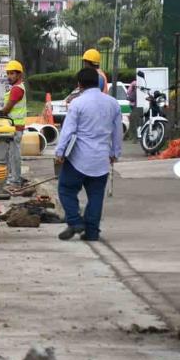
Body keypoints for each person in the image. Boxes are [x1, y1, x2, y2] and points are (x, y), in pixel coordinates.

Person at [54, 68, 123, 242]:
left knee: (66, 189)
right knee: (96, 196)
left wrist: (60, 152)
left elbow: (68, 130)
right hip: (101, 159)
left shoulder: (77, 103)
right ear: (99, 83)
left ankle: (75, 221)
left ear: (79, 84)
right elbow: (117, 131)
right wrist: (115, 152)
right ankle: (92, 232)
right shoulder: (113, 103)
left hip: (78, 158)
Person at [0, 60, 26, 187]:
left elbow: (7, 108)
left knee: (14, 155)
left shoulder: (17, 89)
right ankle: (13, 177)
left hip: (16, 126)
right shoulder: (16, 88)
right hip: (14, 126)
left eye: (12, 73)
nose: (9, 76)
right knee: (12, 154)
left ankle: (15, 179)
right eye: (8, 73)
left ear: (19, 75)